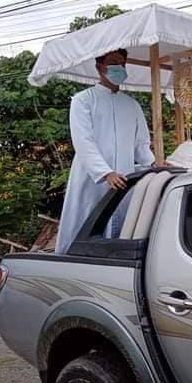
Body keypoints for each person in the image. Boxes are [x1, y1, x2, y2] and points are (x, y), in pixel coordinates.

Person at [55, 48, 157, 254]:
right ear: (100, 67)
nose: (119, 68)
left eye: (122, 63)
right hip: (91, 180)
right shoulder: (83, 100)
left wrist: (153, 164)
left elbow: (141, 145)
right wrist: (105, 172)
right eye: (114, 63)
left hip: (125, 179)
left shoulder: (132, 105)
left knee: (122, 231)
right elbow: (83, 141)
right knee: (86, 230)